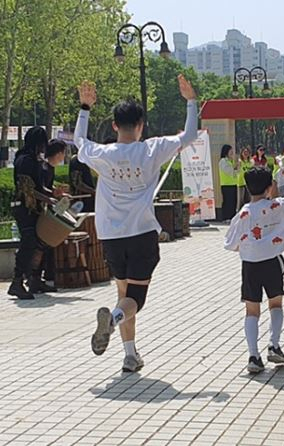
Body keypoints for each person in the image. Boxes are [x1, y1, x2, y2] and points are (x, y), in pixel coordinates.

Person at [74, 75, 198, 372]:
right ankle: (114, 322)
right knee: (135, 300)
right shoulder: (151, 149)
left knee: (123, 294)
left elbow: (79, 141)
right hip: (141, 234)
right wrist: (191, 101)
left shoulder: (102, 154)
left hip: (111, 236)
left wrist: (84, 107)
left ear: (115, 126)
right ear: (141, 125)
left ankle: (130, 355)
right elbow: (189, 136)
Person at [224, 157, 284, 373]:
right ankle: (274, 344)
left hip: (250, 265)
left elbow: (231, 243)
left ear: (247, 187)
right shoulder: (279, 205)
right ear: (269, 187)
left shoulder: (243, 213)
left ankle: (253, 356)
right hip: (273, 261)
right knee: (276, 303)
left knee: (252, 310)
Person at [8, 127, 51, 300]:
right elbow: (27, 189)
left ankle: (34, 278)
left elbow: (38, 186)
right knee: (29, 242)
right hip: (24, 208)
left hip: (33, 208)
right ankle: (17, 281)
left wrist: (52, 193)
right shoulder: (25, 160)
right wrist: (47, 199)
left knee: (40, 242)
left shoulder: (34, 160)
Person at [39, 139, 69, 292]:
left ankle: (47, 277)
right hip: (41, 214)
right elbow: (41, 188)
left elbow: (48, 187)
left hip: (46, 210)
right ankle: (41, 277)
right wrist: (53, 193)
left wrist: (57, 192)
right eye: (63, 153)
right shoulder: (44, 168)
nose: (63, 156)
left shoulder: (49, 168)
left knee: (47, 245)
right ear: (57, 153)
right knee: (44, 245)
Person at [69, 144, 96, 212]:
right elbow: (77, 183)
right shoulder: (76, 160)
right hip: (81, 200)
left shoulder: (88, 161)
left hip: (90, 199)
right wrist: (93, 191)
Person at [219, 144, 239, 221]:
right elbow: (229, 172)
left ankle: (232, 217)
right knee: (228, 201)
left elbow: (235, 173)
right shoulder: (223, 161)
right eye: (231, 151)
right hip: (226, 185)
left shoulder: (230, 161)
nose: (232, 153)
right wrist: (235, 168)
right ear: (226, 152)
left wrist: (236, 168)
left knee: (233, 201)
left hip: (233, 184)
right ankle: (226, 217)